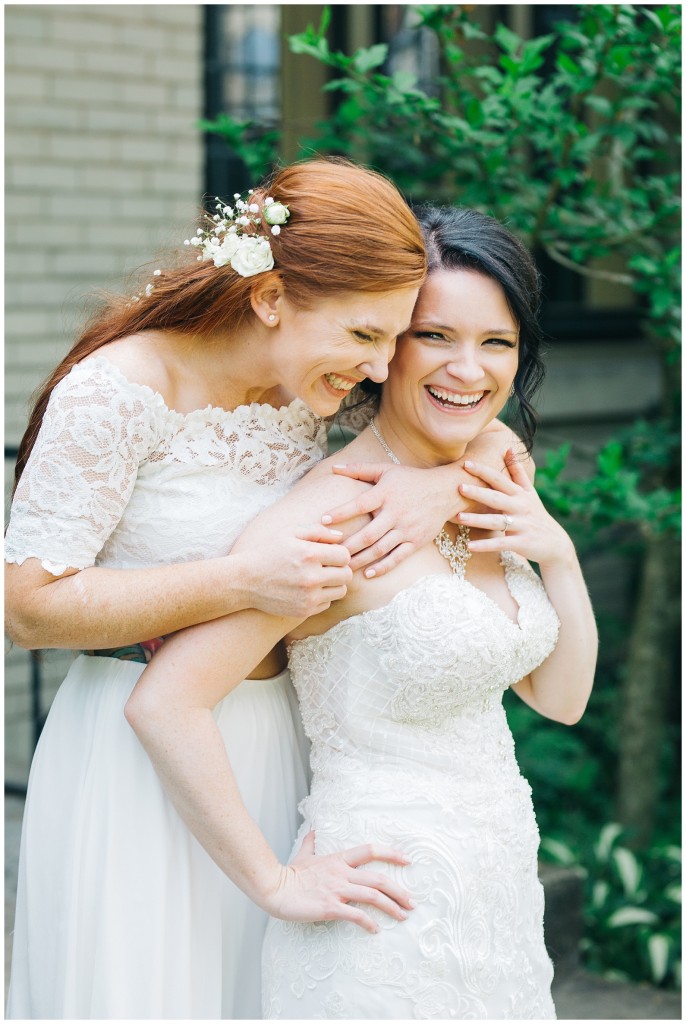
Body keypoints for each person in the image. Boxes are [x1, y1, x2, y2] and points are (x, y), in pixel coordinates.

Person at [5, 161, 519, 1020]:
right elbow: (27, 606)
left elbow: (475, 414)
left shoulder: (307, 390)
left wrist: (445, 487)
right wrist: (241, 579)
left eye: (393, 340)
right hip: (141, 760)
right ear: (273, 296)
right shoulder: (117, 391)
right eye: (363, 336)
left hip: (281, 753)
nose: (377, 367)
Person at [126, 205, 598, 1019]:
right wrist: (273, 882)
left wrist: (557, 552)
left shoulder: (492, 479)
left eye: (497, 343)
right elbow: (167, 702)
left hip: (497, 902)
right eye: (435, 337)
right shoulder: (329, 517)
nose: (468, 369)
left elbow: (559, 701)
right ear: (385, 348)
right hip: (380, 913)